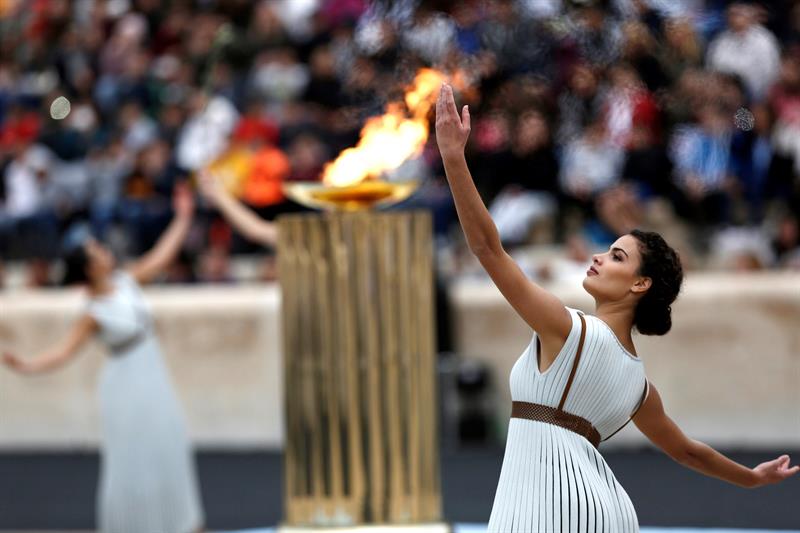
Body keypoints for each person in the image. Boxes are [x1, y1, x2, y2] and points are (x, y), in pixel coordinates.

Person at [434, 83, 798, 531]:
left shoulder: (568, 330)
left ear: (641, 284)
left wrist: (454, 158)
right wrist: (750, 479)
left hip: (550, 514)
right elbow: (686, 451)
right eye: (607, 250)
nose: (598, 258)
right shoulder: (638, 383)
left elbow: (489, 249)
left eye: (617, 257)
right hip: (596, 512)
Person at [2, 183, 204, 533]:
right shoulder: (93, 312)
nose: (105, 251)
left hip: (152, 377)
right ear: (91, 268)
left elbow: (161, 256)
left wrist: (183, 217)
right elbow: (63, 352)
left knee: (169, 445)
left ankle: (183, 524)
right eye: (97, 251)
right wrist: (25, 365)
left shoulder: (127, 281)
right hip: (125, 387)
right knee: (133, 461)